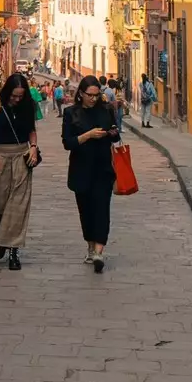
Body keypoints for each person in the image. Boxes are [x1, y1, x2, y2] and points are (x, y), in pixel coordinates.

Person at [0, 72, 41, 271]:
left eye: (20, 96)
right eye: (14, 95)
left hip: (21, 157)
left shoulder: (28, 106)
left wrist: (33, 146)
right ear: (8, 91)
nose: (16, 99)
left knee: (18, 206)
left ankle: (13, 250)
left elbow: (32, 130)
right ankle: (1, 237)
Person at [62, 74, 120, 272]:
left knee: (102, 209)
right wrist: (87, 136)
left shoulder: (106, 110)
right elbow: (67, 143)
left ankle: (99, 252)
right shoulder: (71, 113)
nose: (93, 99)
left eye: (97, 95)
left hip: (103, 168)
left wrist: (111, 133)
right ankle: (90, 245)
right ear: (81, 94)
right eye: (90, 95)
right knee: (86, 212)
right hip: (81, 169)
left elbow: (116, 135)